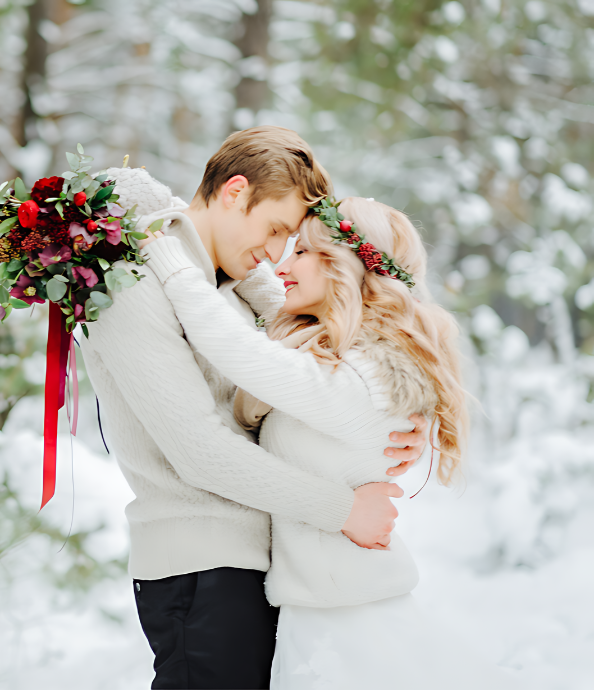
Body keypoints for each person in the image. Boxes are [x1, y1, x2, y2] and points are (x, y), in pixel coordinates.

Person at [79, 127, 428, 690]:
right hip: (201, 564)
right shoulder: (138, 279)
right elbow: (199, 451)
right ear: (234, 191)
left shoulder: (227, 284)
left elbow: (339, 339)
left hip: (256, 564)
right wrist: (343, 510)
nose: (276, 253)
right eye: (275, 230)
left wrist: (399, 423)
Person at [140, 196, 520, 689]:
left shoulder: (368, 380)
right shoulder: (344, 362)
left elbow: (238, 350)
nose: (284, 262)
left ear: (345, 267)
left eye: (301, 252)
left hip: (352, 625)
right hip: (322, 612)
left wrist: (170, 261)